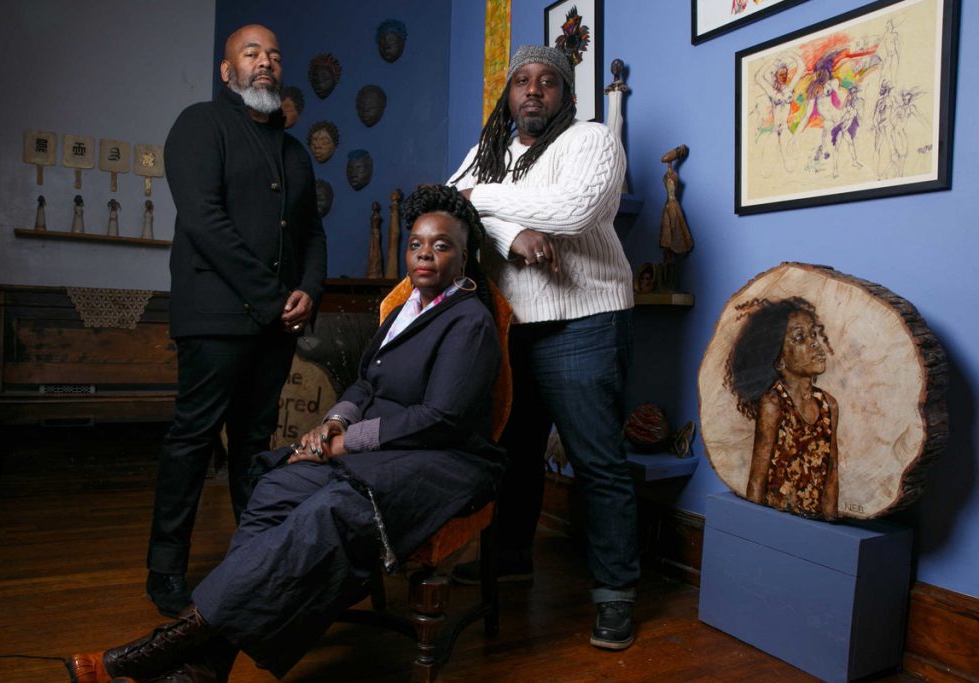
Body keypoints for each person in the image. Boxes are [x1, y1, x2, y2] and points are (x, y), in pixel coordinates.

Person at [65, 185, 506, 683]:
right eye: (416, 243)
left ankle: (162, 648)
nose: (425, 253)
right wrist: (335, 420)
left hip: (443, 461)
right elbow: (365, 381)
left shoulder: (469, 320)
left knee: (329, 510)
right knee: (275, 488)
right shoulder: (405, 307)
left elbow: (440, 418)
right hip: (381, 450)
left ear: (464, 258)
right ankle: (210, 663)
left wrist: (345, 442)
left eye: (441, 245)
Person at [448, 44, 639, 650]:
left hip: (584, 321)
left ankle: (615, 595)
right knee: (514, 451)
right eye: (521, 81)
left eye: (547, 81)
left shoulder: (592, 141)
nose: (533, 90)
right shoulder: (489, 151)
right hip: (509, 325)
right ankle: (509, 557)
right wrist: (512, 235)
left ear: (567, 94)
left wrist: (482, 201)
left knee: (598, 461)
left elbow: (575, 211)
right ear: (508, 96)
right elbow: (446, 208)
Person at [145, 24, 327, 619]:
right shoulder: (200, 125)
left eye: (274, 54)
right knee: (194, 441)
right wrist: (275, 296)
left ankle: (251, 560)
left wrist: (308, 290)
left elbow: (311, 234)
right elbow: (205, 222)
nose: (266, 63)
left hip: (275, 325)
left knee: (254, 444)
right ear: (228, 73)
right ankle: (165, 567)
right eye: (251, 54)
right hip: (215, 319)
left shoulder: (296, 151)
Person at [725, 297, 840, 520]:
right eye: (800, 338)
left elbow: (832, 472)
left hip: (813, 522)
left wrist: (831, 522)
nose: (814, 343)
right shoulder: (774, 403)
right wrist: (753, 525)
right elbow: (758, 476)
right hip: (776, 520)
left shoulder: (829, 404)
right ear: (779, 360)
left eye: (813, 334)